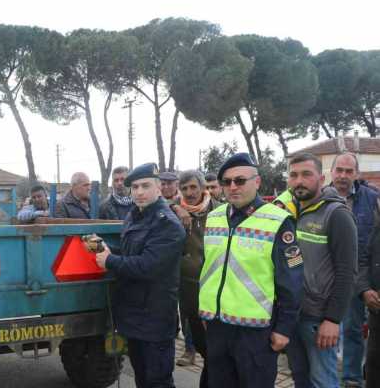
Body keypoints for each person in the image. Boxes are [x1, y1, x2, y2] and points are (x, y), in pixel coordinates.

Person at [198, 153, 303, 388]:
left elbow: (292, 282)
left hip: (256, 332)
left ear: (257, 182)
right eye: (226, 182)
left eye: (240, 180)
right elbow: (208, 268)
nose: (232, 187)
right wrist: (206, 310)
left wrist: (284, 329)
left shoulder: (277, 220)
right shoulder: (214, 218)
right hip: (217, 325)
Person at [91, 162, 186, 387]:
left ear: (158, 188)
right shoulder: (136, 215)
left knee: (158, 380)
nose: (139, 192)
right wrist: (106, 249)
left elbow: (148, 266)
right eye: (135, 187)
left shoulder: (167, 224)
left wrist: (110, 261)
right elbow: (131, 253)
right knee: (142, 377)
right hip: (134, 314)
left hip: (155, 317)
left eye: (145, 186)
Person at [285, 153, 358, 388]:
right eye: (294, 175)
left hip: (319, 318)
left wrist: (333, 319)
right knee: (300, 378)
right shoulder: (289, 211)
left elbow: (348, 273)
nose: (299, 181)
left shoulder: (336, 215)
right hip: (292, 313)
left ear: (322, 177)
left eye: (306, 174)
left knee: (323, 381)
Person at [329, 152, 379, 388]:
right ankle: (324, 376)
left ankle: (351, 379)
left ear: (356, 174)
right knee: (321, 328)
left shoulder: (372, 199)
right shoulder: (320, 197)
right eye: (339, 170)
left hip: (355, 276)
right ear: (331, 171)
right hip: (323, 273)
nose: (343, 175)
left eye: (349, 171)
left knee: (352, 329)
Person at [175, 170, 221, 383]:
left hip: (218, 289)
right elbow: (157, 206)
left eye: (193, 187)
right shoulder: (175, 211)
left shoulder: (220, 210)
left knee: (217, 350)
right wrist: (175, 207)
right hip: (191, 291)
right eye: (184, 188)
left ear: (203, 187)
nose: (189, 192)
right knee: (204, 348)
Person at [358, 211, 380, 387]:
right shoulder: (378, 228)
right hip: (377, 312)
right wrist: (365, 289)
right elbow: (365, 259)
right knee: (374, 364)